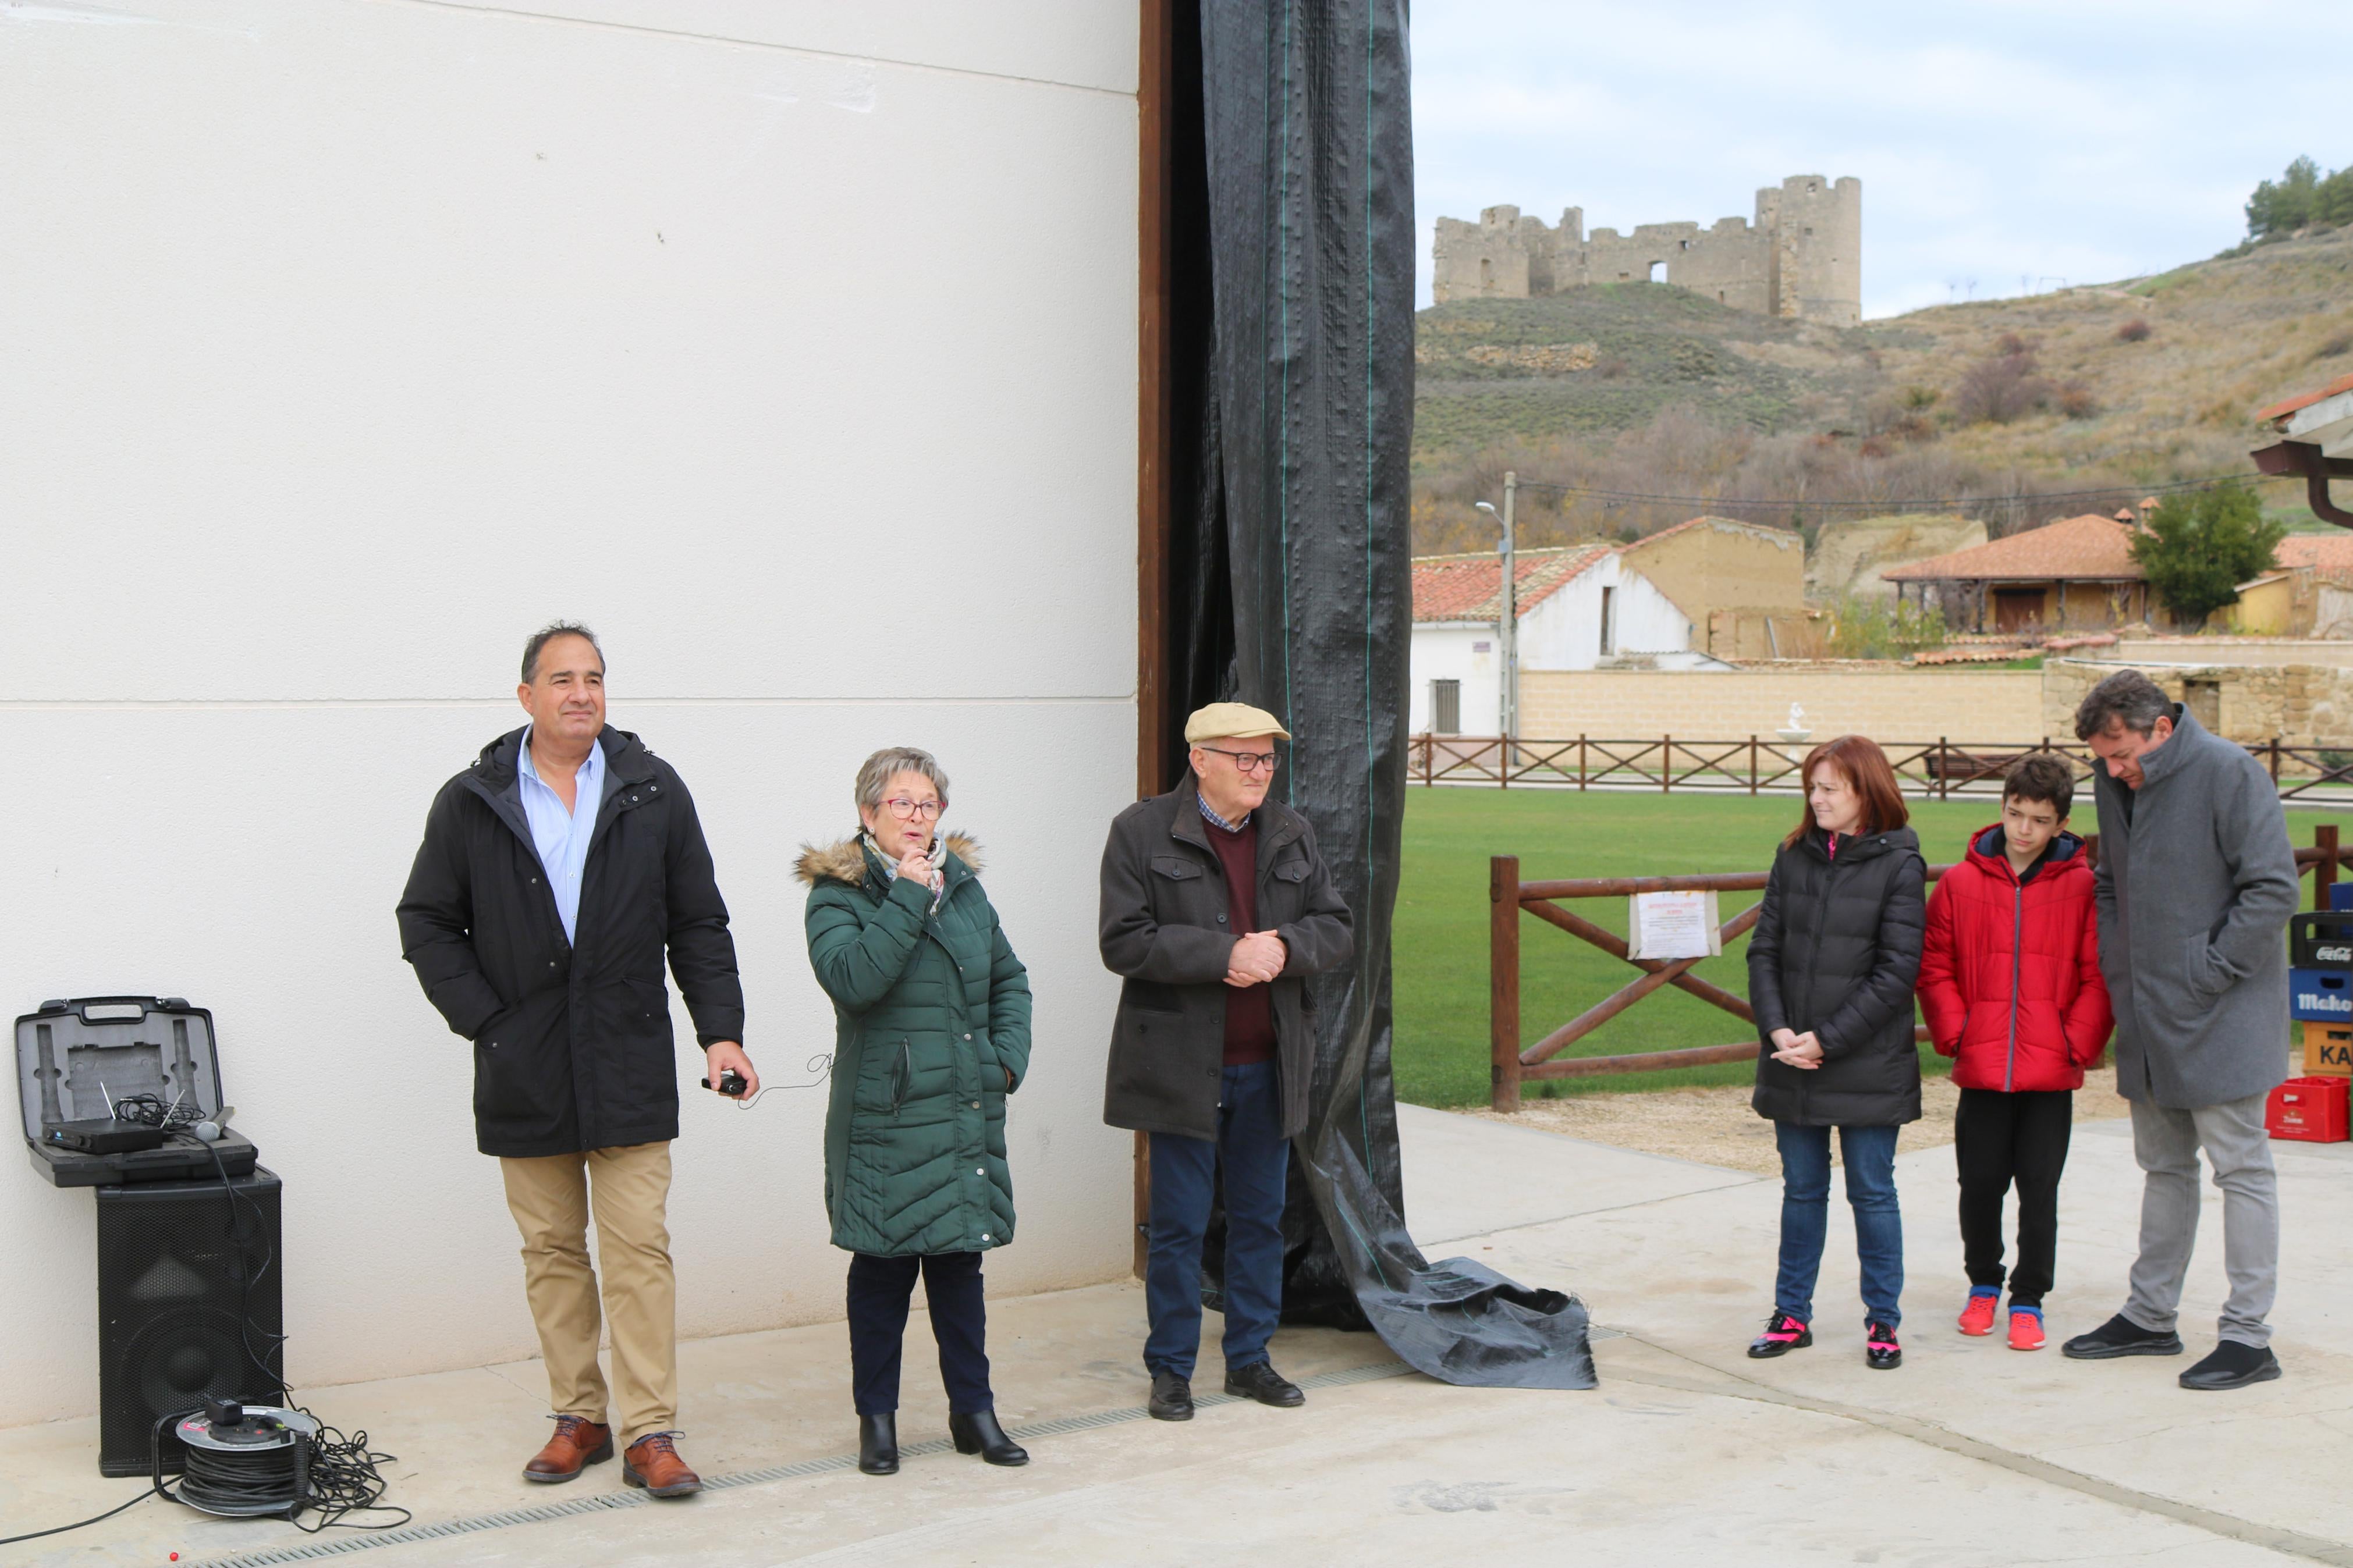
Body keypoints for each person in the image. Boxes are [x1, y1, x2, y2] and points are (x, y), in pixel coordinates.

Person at [397, 621, 753, 1498]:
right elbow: (426, 921)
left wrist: (720, 1030)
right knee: (553, 1248)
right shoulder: (471, 799)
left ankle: (650, 1432)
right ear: (526, 696)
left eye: (593, 676)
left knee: (639, 1249)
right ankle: (579, 1415)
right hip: (525, 1063)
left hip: (627, 1053)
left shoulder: (652, 789)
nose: (581, 692)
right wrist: (488, 1021)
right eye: (561, 678)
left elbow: (698, 920)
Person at [1098, 702, 1354, 1422]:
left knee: (1259, 1221)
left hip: (1269, 1066)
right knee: (1178, 1226)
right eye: (1243, 758)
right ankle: (1171, 1371)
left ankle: (1248, 1360)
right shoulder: (1139, 831)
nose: (1258, 771)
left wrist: (1282, 948)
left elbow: (1334, 927)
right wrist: (1224, 955)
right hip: (1181, 1066)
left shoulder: (1291, 831)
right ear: (1199, 760)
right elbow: (1123, 941)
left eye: (1267, 758)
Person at [798, 746, 1033, 1476]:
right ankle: (878, 1420)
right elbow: (855, 981)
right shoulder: (836, 894)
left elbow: (1009, 980)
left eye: (927, 803)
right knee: (882, 1274)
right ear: (867, 813)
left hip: (961, 1107)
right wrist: (904, 892)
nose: (915, 816)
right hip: (886, 1118)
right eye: (899, 803)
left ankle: (974, 1412)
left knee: (960, 1269)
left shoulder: (964, 888)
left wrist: (1003, 1062)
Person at [2061, 669, 2297, 1389]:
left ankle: (2247, 1337)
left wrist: (2211, 969)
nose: (2111, 769)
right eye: (2101, 758)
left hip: (2220, 1009)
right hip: (2147, 1011)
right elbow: (2108, 881)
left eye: (2120, 752)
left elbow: (2273, 886)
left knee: (2242, 1170)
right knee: (2162, 1168)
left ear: (2159, 728)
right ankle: (2149, 1316)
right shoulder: (2115, 780)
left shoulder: (2228, 772)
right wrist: (2116, 959)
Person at [1917, 754, 2113, 1352]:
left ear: (2060, 823)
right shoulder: (1958, 883)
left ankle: (2028, 1296)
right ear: (2000, 807)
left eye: (2037, 819)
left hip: (2048, 1076)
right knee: (1977, 1183)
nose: (2022, 829)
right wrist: (1957, 1034)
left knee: (2038, 1188)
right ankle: (1982, 1284)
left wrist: (2073, 1044)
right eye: (2013, 813)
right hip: (1981, 1069)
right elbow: (1934, 966)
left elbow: (2097, 976)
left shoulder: (2082, 886)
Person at [1744, 735, 1926, 1371]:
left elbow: (1896, 970)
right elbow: (1763, 950)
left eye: (1829, 788)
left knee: (1872, 1192)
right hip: (1791, 1056)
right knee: (1801, 1190)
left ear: (1864, 792)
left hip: (1865, 1060)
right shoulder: (1792, 855)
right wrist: (1777, 1033)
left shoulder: (1900, 863)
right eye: (1811, 787)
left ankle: (1883, 1321)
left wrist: (1828, 1038)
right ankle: (1791, 1313)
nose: (1816, 799)